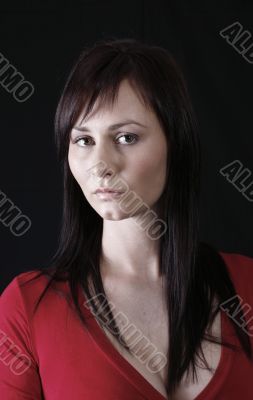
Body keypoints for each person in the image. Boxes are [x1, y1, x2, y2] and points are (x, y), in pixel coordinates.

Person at [0, 37, 253, 400]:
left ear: (175, 144)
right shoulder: (28, 307)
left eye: (126, 137)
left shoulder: (246, 288)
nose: (102, 165)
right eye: (84, 140)